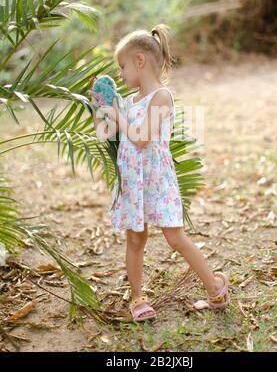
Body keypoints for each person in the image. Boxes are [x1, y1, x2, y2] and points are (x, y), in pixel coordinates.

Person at [90, 24, 230, 322]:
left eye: (123, 66)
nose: (121, 74)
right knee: (136, 241)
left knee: (175, 238)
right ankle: (138, 299)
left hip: (157, 181)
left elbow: (141, 138)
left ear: (140, 61)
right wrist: (101, 107)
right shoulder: (128, 102)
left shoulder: (161, 98)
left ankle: (215, 287)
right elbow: (104, 132)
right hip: (133, 182)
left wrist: (119, 114)